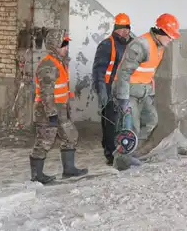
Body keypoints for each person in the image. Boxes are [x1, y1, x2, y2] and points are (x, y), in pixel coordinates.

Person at [112, 13, 180, 170]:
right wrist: (123, 99)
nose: (171, 40)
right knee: (131, 127)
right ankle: (121, 161)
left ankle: (130, 151)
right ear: (161, 32)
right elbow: (124, 73)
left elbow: (149, 72)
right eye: (170, 36)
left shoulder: (159, 46)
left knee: (151, 120)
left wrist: (150, 93)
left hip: (143, 91)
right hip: (129, 92)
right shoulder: (141, 45)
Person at [29, 30, 87, 184]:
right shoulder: (48, 65)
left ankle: (69, 170)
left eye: (67, 44)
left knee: (70, 136)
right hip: (46, 110)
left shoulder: (59, 62)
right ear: (54, 46)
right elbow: (46, 93)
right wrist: (51, 114)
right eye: (63, 44)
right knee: (44, 141)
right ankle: (37, 175)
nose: (66, 47)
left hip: (60, 109)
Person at [92, 13, 132, 165]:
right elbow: (99, 71)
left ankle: (125, 149)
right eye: (121, 28)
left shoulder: (132, 44)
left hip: (126, 88)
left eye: (127, 28)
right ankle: (110, 153)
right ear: (115, 29)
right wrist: (102, 92)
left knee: (125, 121)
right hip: (109, 89)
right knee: (111, 123)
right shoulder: (107, 45)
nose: (125, 31)